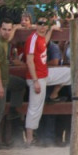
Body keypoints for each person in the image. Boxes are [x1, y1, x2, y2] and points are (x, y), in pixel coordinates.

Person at [24, 17, 71, 147]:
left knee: (70, 73)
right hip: (37, 77)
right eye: (40, 24)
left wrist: (51, 29)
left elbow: (44, 42)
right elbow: (29, 61)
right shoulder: (32, 39)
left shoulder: (40, 38)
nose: (43, 26)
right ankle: (29, 139)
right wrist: (35, 81)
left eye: (45, 24)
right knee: (35, 107)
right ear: (36, 25)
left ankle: (54, 94)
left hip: (45, 74)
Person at [0, 18, 24, 150]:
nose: (7, 32)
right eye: (5, 29)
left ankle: (13, 108)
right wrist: (0, 86)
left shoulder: (3, 39)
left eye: (9, 29)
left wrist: (16, 28)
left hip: (4, 78)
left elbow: (8, 37)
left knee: (20, 84)